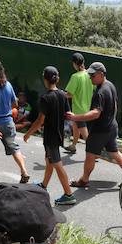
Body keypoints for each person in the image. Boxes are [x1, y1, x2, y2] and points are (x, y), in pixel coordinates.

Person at [66, 62, 122, 191]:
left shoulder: (100, 91)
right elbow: (115, 106)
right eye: (90, 75)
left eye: (93, 75)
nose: (90, 77)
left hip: (101, 130)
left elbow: (96, 113)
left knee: (90, 155)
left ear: (101, 74)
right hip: (111, 127)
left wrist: (75, 117)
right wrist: (111, 121)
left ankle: (84, 180)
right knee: (114, 153)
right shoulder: (111, 85)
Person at [22, 66, 77, 206]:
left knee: (57, 164)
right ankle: (44, 185)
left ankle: (69, 194)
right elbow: (67, 115)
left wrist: (28, 133)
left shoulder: (46, 98)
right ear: (56, 79)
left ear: (45, 80)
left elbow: (40, 121)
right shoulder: (63, 95)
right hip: (58, 135)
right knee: (49, 161)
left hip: (51, 137)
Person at [63, 52, 92, 154]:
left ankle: (94, 152)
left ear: (75, 63)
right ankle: (73, 146)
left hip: (79, 110)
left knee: (84, 132)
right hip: (87, 108)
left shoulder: (75, 76)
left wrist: (61, 94)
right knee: (75, 126)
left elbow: (70, 94)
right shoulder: (89, 75)